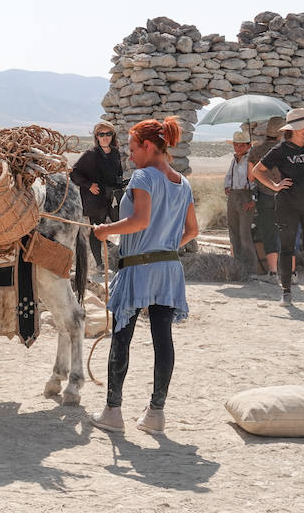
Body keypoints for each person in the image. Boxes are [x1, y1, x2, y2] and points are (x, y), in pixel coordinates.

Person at [89, 116, 198, 435]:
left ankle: (113, 412)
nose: (130, 154)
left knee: (122, 336)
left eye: (133, 148)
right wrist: (163, 247)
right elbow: (192, 230)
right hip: (168, 268)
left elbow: (140, 220)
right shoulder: (183, 182)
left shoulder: (143, 177)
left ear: (148, 146)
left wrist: (106, 230)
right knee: (163, 338)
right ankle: (156, 414)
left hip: (138, 268)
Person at [252, 108, 304, 306]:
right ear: (294, 129)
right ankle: (286, 293)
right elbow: (256, 171)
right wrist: (275, 186)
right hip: (288, 206)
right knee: (286, 248)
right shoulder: (280, 150)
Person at [71, 121, 124, 272]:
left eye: (108, 134)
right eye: (102, 134)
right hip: (95, 200)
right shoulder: (90, 155)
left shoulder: (115, 153)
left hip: (112, 197)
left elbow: (118, 173)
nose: (105, 137)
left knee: (119, 225)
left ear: (112, 136)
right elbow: (74, 173)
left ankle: (120, 258)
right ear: (97, 136)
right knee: (96, 230)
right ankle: (100, 266)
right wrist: (88, 185)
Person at [247, 117, 285, 283]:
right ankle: (291, 274)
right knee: (287, 233)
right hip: (286, 197)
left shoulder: (256, 150)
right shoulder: (286, 149)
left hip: (265, 197)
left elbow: (251, 177)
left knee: (269, 234)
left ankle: (273, 273)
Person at [223, 130, 256, 277]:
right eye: (236, 145)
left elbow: (256, 181)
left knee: (244, 233)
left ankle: (250, 269)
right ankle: (237, 266)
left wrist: (253, 200)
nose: (238, 148)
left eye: (241, 145)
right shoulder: (234, 159)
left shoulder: (252, 159)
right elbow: (229, 175)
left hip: (246, 196)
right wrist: (227, 185)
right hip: (234, 196)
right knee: (233, 231)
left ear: (249, 146)